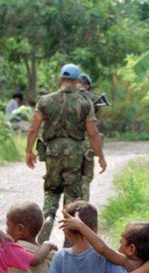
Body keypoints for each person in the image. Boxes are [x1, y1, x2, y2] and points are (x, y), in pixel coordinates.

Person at [24, 64, 107, 243]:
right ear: (77, 81)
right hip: (76, 152)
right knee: (72, 193)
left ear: (61, 79)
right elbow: (92, 133)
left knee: (52, 188)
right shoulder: (85, 102)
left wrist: (28, 151)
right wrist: (100, 156)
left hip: (52, 151)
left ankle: (48, 217)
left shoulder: (45, 101)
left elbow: (33, 129)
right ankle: (68, 239)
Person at [79, 73, 105, 202]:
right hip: (85, 144)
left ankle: (52, 213)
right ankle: (82, 211)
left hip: (60, 145)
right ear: (88, 86)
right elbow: (93, 132)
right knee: (85, 179)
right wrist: (101, 156)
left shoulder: (59, 98)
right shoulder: (94, 100)